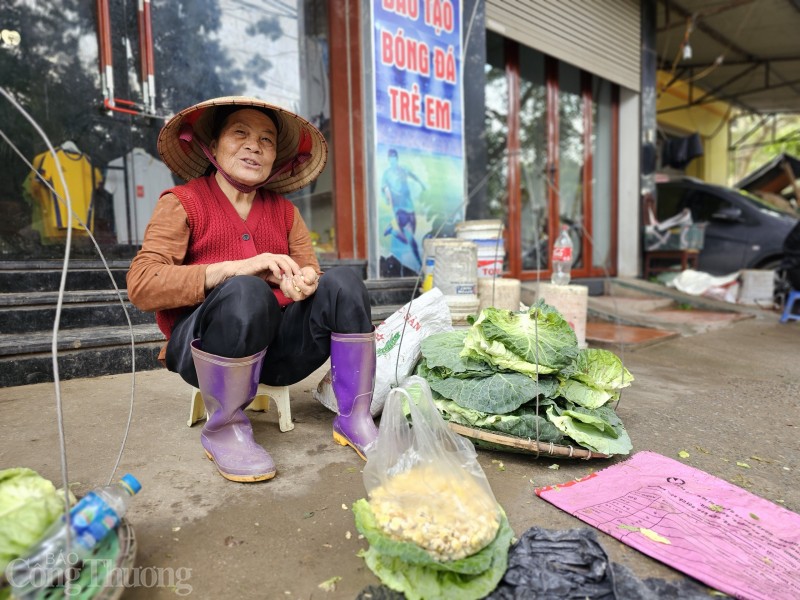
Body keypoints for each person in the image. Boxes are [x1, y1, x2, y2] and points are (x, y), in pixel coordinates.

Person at [127, 97, 378, 483]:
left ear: (274, 157)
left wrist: (303, 282)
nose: (253, 145)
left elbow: (310, 270)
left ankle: (355, 418)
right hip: (203, 354)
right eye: (239, 133)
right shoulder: (183, 203)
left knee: (343, 282)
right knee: (247, 290)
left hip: (277, 357)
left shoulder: (284, 212)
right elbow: (143, 285)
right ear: (212, 146)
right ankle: (224, 430)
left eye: (266, 139)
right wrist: (233, 269)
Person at [380, 148, 425, 274]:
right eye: (391, 157)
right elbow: (384, 189)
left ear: (397, 158)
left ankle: (392, 231)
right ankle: (421, 265)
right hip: (399, 210)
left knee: (410, 239)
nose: (393, 159)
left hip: (410, 208)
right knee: (411, 240)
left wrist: (421, 184)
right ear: (389, 159)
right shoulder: (387, 173)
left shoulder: (402, 169)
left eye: (394, 157)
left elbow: (413, 176)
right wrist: (387, 199)